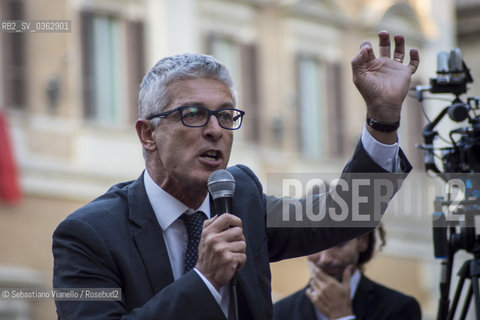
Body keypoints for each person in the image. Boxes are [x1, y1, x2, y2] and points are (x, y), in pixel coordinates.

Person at [52, 31, 419, 319]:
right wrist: (204, 281)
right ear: (148, 134)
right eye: (193, 114)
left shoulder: (240, 196)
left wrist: (382, 119)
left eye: (226, 116)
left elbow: (346, 214)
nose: (215, 130)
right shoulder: (87, 236)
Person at [273, 225, 422, 320]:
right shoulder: (279, 312)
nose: (325, 259)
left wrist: (342, 317)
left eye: (339, 245)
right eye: (315, 245)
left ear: (363, 241)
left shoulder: (399, 309)